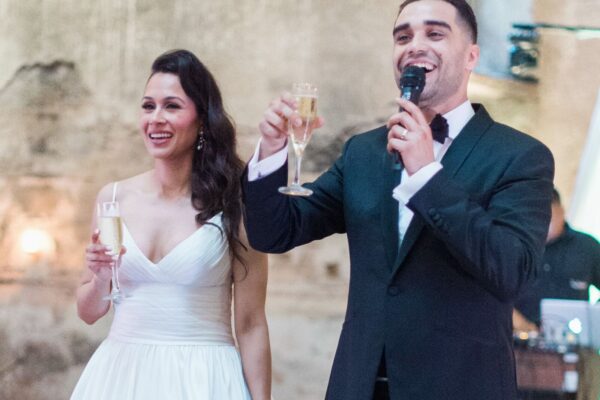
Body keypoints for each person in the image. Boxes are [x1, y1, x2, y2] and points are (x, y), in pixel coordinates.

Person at [242, 1, 554, 399]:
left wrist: (427, 176)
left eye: (435, 34)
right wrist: (270, 154)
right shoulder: (364, 153)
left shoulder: (519, 156)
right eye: (403, 37)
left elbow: (513, 270)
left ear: (471, 55)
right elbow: (275, 232)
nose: (414, 45)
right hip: (361, 385)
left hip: (462, 386)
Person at [71, 50, 271, 400]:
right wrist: (101, 276)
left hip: (203, 378)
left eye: (172, 106)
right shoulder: (113, 198)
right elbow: (88, 312)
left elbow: (252, 324)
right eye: (148, 106)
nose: (155, 119)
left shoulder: (236, 203)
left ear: (203, 120)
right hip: (120, 375)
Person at [514, 188, 600, 330]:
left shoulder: (587, 247)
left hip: (575, 341)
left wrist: (594, 317)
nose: (540, 225)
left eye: (547, 218)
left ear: (562, 211)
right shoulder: (514, 244)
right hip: (517, 339)